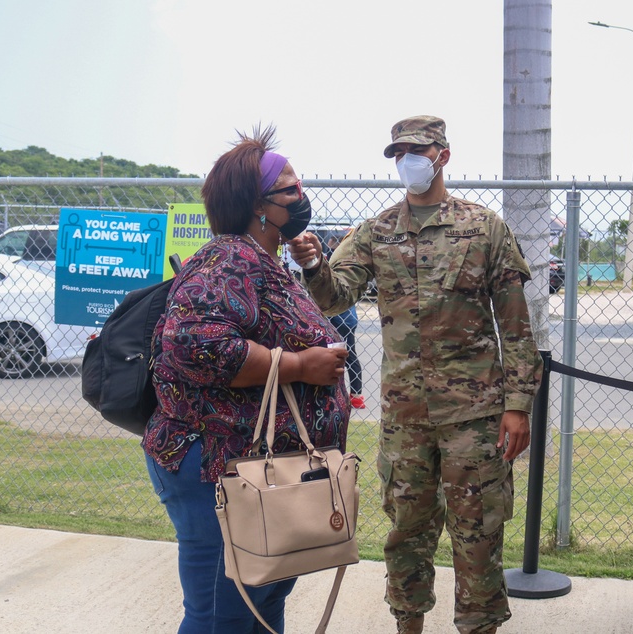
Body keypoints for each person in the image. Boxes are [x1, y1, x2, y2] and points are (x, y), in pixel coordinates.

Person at [289, 115, 541, 634]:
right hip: (406, 417)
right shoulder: (377, 231)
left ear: (442, 156)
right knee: (407, 532)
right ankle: (408, 625)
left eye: (416, 150)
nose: (407, 160)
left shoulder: (483, 227)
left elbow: (516, 327)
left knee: (479, 534)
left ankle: (479, 625)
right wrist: (313, 265)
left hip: (475, 417)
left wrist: (518, 407)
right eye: (399, 152)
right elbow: (335, 296)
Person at [142, 125, 350, 633]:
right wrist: (301, 366)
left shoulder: (263, 261)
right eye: (292, 190)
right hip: (216, 470)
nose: (303, 198)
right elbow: (196, 343)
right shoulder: (228, 259)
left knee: (259, 603)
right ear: (259, 206)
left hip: (252, 474)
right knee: (224, 615)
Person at [325, 235, 366, 410]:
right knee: (349, 357)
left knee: (337, 357)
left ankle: (340, 395)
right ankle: (355, 396)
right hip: (347, 318)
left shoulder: (332, 262)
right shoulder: (345, 261)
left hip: (341, 318)